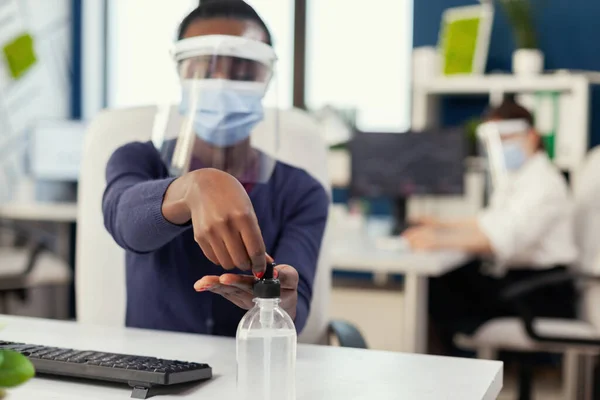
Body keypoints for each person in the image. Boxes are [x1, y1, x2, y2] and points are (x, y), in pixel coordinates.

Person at [102, 0, 329, 336]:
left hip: (249, 371)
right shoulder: (138, 160)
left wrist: (281, 301)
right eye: (205, 68)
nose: (222, 81)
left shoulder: (301, 192)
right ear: (180, 72)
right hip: (151, 375)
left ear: (266, 77)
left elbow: (297, 304)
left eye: (242, 69)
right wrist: (191, 189)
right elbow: (124, 221)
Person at [402, 99, 578, 354]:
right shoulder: (519, 179)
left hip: (541, 292)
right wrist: (441, 226)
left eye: (506, 138)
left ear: (532, 136)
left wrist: (438, 240)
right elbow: (490, 222)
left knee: (441, 288)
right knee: (444, 281)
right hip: (523, 281)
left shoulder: (544, 184)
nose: (501, 147)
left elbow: (500, 238)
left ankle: (454, 368)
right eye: (495, 141)